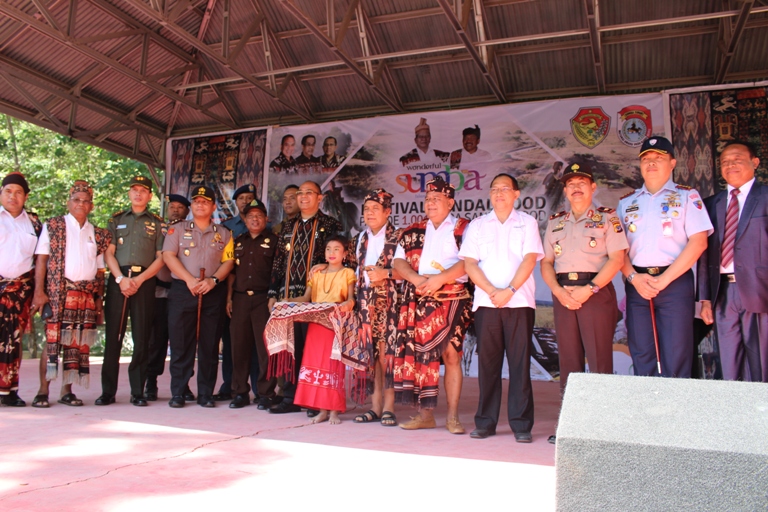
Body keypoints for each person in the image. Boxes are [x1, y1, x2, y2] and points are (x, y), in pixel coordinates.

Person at [540, 164, 628, 443]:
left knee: (600, 359)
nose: (576, 187)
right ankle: (571, 426)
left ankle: (602, 428)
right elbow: (546, 262)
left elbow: (617, 259)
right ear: (565, 191)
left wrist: (588, 289)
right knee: (569, 361)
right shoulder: (555, 222)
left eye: (582, 182)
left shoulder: (607, 218)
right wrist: (558, 290)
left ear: (593, 188)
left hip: (596, 293)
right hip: (563, 294)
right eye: (570, 183)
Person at [458, 173, 543, 442]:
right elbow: (470, 264)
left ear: (516, 194)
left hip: (519, 302)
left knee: (519, 365)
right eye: (494, 189)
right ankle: (485, 422)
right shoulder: (478, 225)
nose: (499, 193)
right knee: (488, 365)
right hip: (487, 303)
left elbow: (530, 259)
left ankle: (521, 425)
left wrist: (510, 290)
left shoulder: (527, 223)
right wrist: (493, 291)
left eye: (505, 189)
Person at [618, 136, 712, 378]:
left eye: (658, 158)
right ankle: (648, 411)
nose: (651, 163)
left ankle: (676, 412)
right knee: (641, 352)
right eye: (646, 159)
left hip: (674, 283)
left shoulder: (686, 197)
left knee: (676, 353)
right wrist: (633, 278)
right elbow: (618, 250)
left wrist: (665, 279)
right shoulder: (627, 203)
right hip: (637, 284)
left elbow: (699, 242)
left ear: (672, 163)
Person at [392, 176, 472, 434]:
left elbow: (469, 262)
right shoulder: (414, 229)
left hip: (452, 298)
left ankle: (452, 417)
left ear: (450, 202)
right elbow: (398, 262)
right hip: (419, 297)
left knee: (450, 356)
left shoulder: (463, 228)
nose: (431, 203)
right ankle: (425, 415)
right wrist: (415, 279)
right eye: (427, 199)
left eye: (437, 199)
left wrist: (439, 279)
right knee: (421, 357)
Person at [30, 181, 110, 407]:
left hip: (85, 295)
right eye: (77, 200)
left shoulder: (97, 233)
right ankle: (42, 391)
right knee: (53, 341)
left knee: (76, 343)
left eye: (85, 201)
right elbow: (41, 260)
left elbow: (100, 270)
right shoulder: (54, 225)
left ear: (91, 206)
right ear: (68, 202)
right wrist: (39, 292)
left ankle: (67, 391)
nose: (81, 204)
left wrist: (98, 300)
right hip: (58, 293)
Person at [267, 181, 342, 414]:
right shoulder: (287, 226)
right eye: (300, 193)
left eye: (309, 193)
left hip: (316, 299)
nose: (303, 197)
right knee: (290, 347)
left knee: (312, 349)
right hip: (288, 296)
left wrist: (325, 262)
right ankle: (290, 396)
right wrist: (272, 293)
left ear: (320, 198)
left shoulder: (331, 224)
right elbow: (278, 262)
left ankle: (312, 398)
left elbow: (342, 257)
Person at [698, 140, 768, 382]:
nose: (730, 165)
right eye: (725, 162)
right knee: (729, 361)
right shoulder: (711, 204)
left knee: (762, 361)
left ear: (755, 162)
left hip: (761, 291)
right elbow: (705, 255)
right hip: (723, 293)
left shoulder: (766, 197)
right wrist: (705, 298)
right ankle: (735, 414)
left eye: (737, 159)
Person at [162, 185, 234, 408]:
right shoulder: (177, 230)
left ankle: (206, 393)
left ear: (213, 206)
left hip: (212, 291)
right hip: (184, 291)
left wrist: (213, 280)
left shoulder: (224, 233)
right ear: (191, 206)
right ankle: (179, 391)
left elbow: (228, 261)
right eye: (196, 201)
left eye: (205, 201)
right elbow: (168, 256)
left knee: (209, 344)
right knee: (181, 343)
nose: (200, 204)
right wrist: (189, 280)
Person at [97, 176, 165, 407]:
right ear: (129, 193)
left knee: (142, 338)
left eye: (143, 191)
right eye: (134, 190)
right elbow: (109, 253)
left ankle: (138, 391)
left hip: (144, 282)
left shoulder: (157, 223)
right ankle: (108, 392)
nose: (138, 194)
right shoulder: (116, 220)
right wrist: (120, 279)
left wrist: (139, 280)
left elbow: (161, 258)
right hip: (119, 282)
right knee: (113, 339)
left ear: (149, 196)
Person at [344, 189, 402, 426]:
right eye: (366, 209)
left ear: (387, 212)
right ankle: (375, 407)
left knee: (387, 356)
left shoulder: (399, 236)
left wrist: (385, 273)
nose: (369, 213)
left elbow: (407, 271)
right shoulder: (360, 238)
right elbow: (353, 270)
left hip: (389, 301)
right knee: (371, 356)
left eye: (375, 209)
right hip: (365, 304)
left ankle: (389, 407)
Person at [291, 236, 356, 424]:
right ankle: (321, 410)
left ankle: (334, 410)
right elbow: (305, 298)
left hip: (335, 323)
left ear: (344, 253)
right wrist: (285, 303)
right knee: (316, 365)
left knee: (332, 366)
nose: (332, 253)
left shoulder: (348, 273)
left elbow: (351, 299)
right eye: (328, 249)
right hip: (316, 324)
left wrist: (346, 305)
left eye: (337, 249)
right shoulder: (316, 274)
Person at [226, 199, 279, 409]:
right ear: (245, 220)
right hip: (239, 299)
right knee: (238, 347)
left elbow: (278, 272)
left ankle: (265, 393)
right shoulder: (237, 241)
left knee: (265, 349)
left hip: (263, 300)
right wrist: (228, 298)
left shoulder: (275, 241)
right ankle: (239, 392)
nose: (254, 219)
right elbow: (231, 273)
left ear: (266, 219)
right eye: (250, 216)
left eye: (259, 216)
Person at [145, 194, 194, 401]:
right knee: (155, 339)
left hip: (181, 290)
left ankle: (184, 385)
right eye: (172, 206)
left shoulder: (192, 231)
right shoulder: (156, 228)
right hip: (158, 292)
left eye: (180, 207)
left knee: (182, 340)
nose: (175, 210)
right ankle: (151, 382)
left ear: (187, 210)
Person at [0, 173, 42, 406]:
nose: (12, 196)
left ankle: (9, 391)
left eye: (18, 192)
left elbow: (41, 261)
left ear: (25, 196)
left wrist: (38, 292)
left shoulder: (35, 224)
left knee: (13, 342)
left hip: (20, 292)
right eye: (8, 191)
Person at [217, 183, 258, 401]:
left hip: (256, 293)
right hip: (232, 290)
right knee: (232, 341)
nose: (245, 201)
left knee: (255, 343)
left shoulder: (263, 227)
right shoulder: (226, 227)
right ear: (236, 202)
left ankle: (259, 388)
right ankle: (230, 385)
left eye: (249, 198)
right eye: (241, 198)